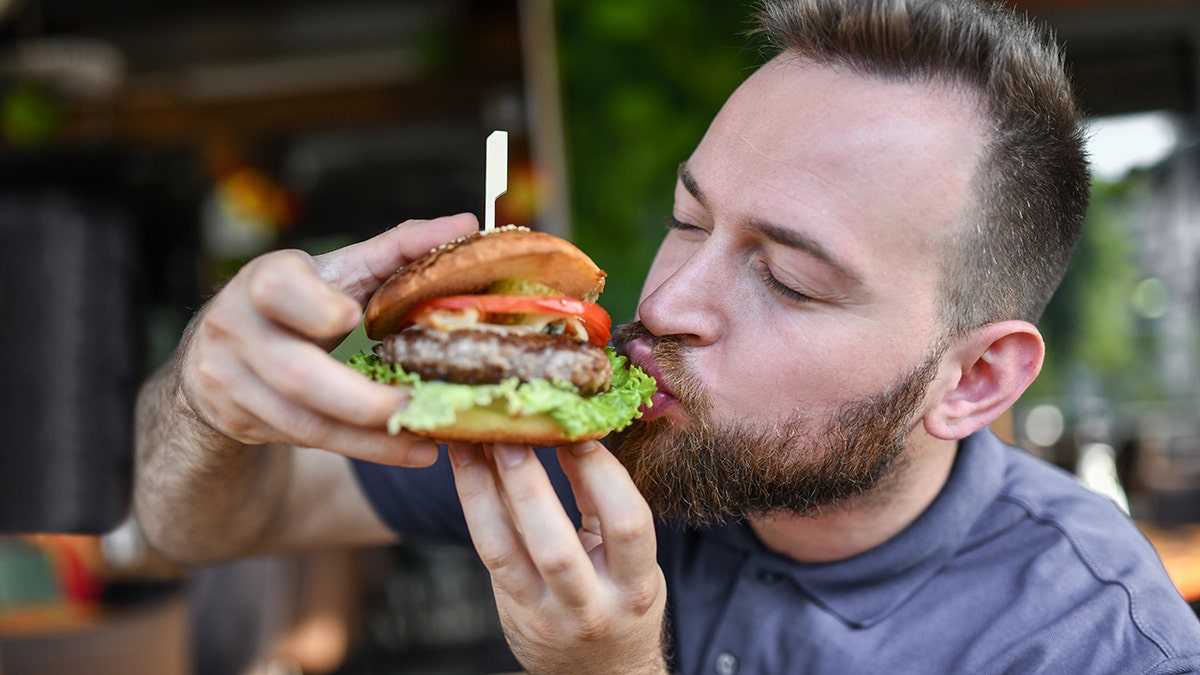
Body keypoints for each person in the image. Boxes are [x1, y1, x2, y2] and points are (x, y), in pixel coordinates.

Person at [133, 0, 1200, 673]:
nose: (674, 297)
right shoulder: (593, 434)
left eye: (786, 277)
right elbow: (205, 522)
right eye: (688, 219)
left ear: (972, 380)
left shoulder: (1087, 641)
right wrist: (205, 405)